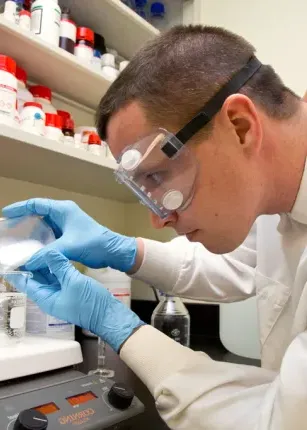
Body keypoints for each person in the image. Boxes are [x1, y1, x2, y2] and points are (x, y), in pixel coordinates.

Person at [4, 25, 307, 429]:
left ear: (240, 125)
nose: (157, 216)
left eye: (158, 176)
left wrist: (119, 326)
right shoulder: (276, 200)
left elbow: (276, 421)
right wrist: (122, 250)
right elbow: (239, 264)